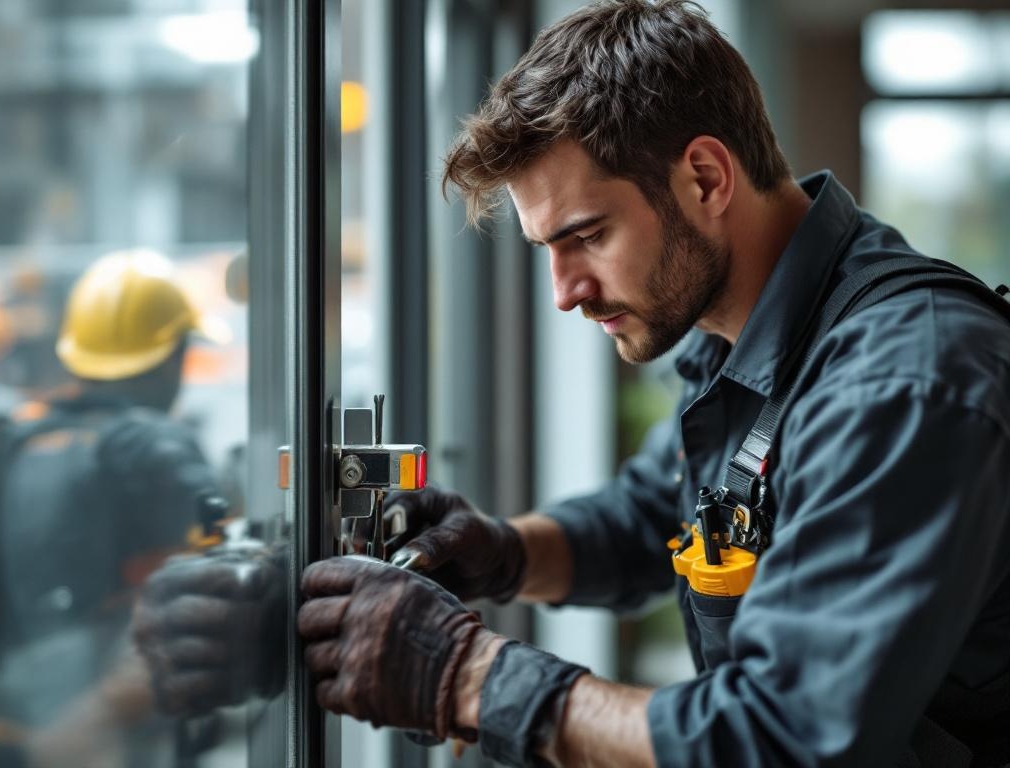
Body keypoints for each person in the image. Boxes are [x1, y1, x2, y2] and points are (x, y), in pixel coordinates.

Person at [295, 2, 1010, 767]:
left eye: (588, 236)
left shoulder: (902, 380)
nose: (564, 292)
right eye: (547, 248)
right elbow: (653, 520)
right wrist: (504, 552)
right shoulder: (752, 334)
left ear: (704, 178)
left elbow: (783, 736)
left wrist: (465, 674)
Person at [0, 250, 224, 767]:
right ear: (170, 356)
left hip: (22, 718)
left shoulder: (17, 439)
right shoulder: (157, 447)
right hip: (121, 736)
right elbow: (194, 612)